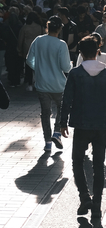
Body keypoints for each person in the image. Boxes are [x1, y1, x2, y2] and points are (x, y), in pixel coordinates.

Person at [60, 36, 106, 218]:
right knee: (99, 164)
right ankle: (97, 203)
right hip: (102, 125)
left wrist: (63, 122)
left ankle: (84, 196)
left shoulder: (75, 74)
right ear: (98, 52)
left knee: (77, 161)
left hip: (81, 124)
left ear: (80, 52)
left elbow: (67, 100)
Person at [26, 16, 72, 152]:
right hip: (59, 84)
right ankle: (57, 132)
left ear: (47, 26)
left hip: (41, 83)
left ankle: (47, 142)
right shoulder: (61, 44)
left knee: (45, 113)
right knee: (62, 109)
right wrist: (70, 65)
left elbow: (29, 60)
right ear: (59, 29)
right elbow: (66, 68)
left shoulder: (38, 41)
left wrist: (39, 69)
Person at [17, 11, 43, 91]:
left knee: (28, 67)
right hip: (38, 48)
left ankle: (30, 84)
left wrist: (19, 49)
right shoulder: (40, 27)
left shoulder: (25, 27)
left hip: (27, 47)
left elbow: (20, 39)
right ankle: (37, 83)